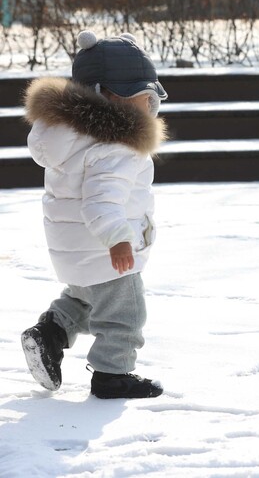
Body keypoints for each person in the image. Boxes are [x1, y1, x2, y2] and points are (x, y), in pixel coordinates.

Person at [20, 30, 168, 399]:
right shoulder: (116, 143)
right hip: (107, 250)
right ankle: (113, 375)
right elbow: (101, 200)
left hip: (76, 252)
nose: (149, 103)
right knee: (125, 315)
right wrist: (118, 238)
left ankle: (51, 332)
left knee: (86, 299)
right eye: (141, 94)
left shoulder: (70, 135)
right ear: (106, 95)